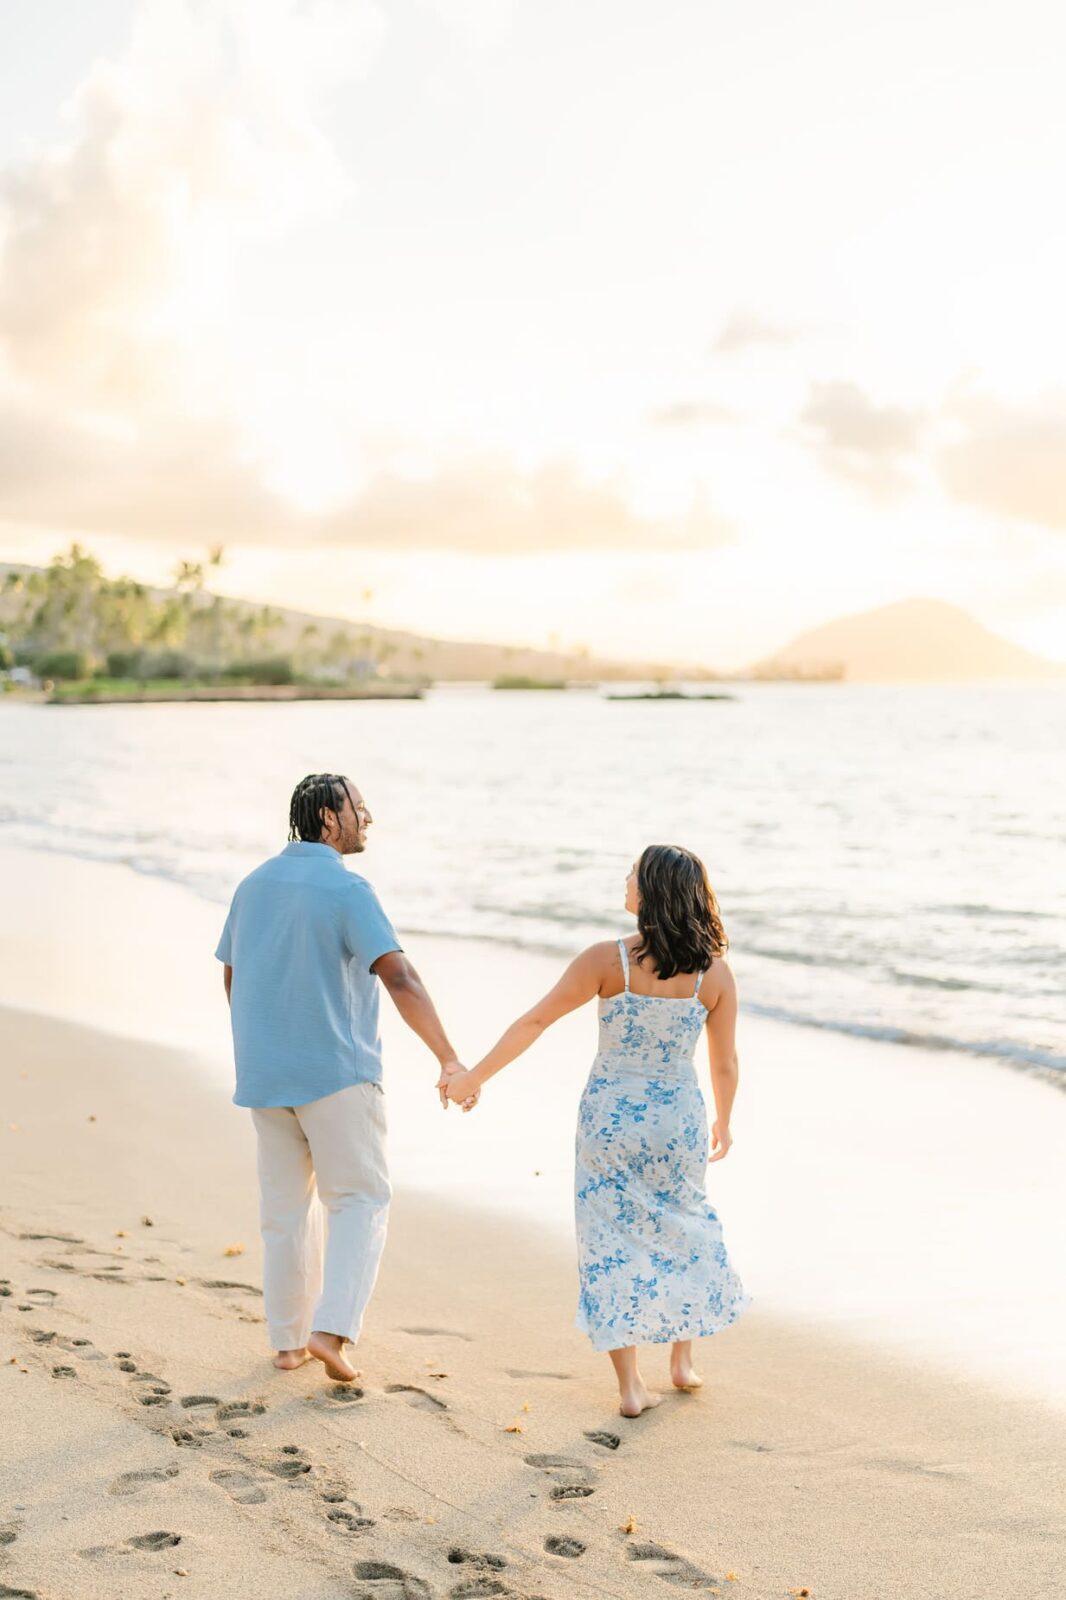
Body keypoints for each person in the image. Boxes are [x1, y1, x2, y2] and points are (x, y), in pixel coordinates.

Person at [441, 844, 749, 1417]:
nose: (625, 880)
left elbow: (536, 1019)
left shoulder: (610, 962)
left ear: (651, 891)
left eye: (633, 873)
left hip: (610, 1118)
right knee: (682, 1224)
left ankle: (632, 1386)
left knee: (610, 1242)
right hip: (676, 1119)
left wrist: (473, 1077)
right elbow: (725, 1063)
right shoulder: (715, 975)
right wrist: (724, 1120)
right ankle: (682, 1360)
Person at [216, 772, 474, 1383]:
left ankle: (287, 1343)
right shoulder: (347, 888)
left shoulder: (253, 886)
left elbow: (233, 976)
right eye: (360, 807)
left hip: (266, 1073)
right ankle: (330, 1331)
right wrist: (449, 1058)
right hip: (336, 1074)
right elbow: (401, 976)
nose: (369, 817)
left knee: (283, 1213)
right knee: (360, 1200)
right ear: (330, 819)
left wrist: (266, 1038)